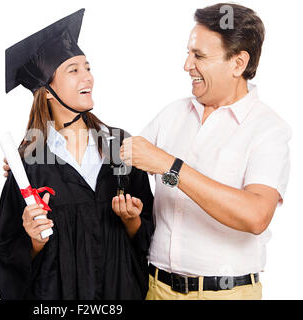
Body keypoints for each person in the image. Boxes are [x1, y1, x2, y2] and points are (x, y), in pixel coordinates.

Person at [121, 3, 291, 300]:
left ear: (238, 63)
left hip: (225, 293)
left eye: (198, 56)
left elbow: (256, 216)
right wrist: (41, 158)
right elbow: (120, 155)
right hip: (155, 289)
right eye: (188, 52)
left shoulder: (268, 129)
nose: (186, 65)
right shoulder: (173, 114)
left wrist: (170, 166)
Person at [0, 9, 154, 300]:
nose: (88, 78)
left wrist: (132, 221)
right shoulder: (28, 164)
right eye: (74, 70)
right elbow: (8, 254)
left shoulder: (120, 147)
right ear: (46, 91)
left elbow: (149, 238)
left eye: (88, 68)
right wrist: (34, 239)